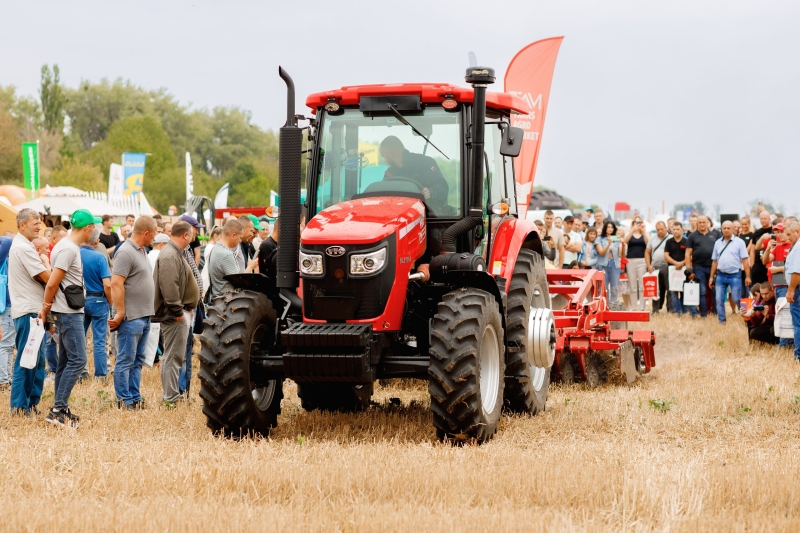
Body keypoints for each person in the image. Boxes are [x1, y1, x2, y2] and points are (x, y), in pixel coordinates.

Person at [40, 209, 100, 427]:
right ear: (87, 228)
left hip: (66, 311)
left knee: (66, 361)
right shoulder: (67, 249)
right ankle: (57, 410)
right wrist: (46, 308)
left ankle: (61, 407)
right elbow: (53, 283)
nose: (95, 229)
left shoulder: (67, 246)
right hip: (68, 313)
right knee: (78, 360)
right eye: (94, 226)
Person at [109, 216, 157, 409]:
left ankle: (134, 397)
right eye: (154, 233)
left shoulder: (141, 250)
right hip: (131, 317)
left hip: (143, 315)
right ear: (145, 233)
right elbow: (116, 283)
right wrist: (120, 312)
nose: (155, 237)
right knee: (126, 360)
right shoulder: (126, 252)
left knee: (137, 361)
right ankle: (125, 400)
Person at [8, 209, 50, 416]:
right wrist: (48, 264)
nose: (39, 226)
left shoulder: (24, 246)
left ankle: (31, 403)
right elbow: (46, 276)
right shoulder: (23, 248)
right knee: (27, 359)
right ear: (22, 224)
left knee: (37, 360)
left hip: (32, 310)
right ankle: (19, 406)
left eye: (40, 222)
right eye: (35, 222)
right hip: (28, 311)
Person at [153, 221, 199, 406]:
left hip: (178, 312)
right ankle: (170, 397)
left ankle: (171, 395)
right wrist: (177, 310)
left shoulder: (174, 253)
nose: (195, 237)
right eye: (193, 234)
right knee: (173, 356)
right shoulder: (170, 254)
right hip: (174, 314)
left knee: (174, 356)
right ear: (185, 235)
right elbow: (169, 286)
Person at [176, 215, 205, 397]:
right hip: (185, 308)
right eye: (195, 228)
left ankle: (184, 391)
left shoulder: (187, 249)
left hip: (192, 307)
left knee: (187, 350)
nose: (197, 232)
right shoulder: (180, 251)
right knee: (183, 353)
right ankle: (180, 391)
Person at [79, 227, 113, 381]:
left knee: (80, 338)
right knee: (99, 341)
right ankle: (100, 375)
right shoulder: (100, 257)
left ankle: (80, 372)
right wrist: (111, 301)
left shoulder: (75, 254)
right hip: (98, 299)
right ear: (97, 241)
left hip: (79, 300)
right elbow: (107, 284)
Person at [379, 135, 449, 205]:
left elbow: (443, 187)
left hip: (428, 212)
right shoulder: (389, 173)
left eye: (384, 156)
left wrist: (430, 192)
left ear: (390, 154)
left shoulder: (426, 163)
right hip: (399, 212)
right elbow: (382, 194)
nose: (385, 161)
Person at [709, 221, 751, 325]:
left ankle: (747, 319)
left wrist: (748, 276)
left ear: (733, 229)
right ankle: (722, 321)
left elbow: (745, 260)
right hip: (720, 275)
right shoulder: (717, 242)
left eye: (728, 228)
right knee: (719, 299)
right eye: (724, 228)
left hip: (735, 275)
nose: (726, 230)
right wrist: (711, 277)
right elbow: (714, 261)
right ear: (721, 229)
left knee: (737, 299)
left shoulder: (740, 242)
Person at [685, 216, 717, 317]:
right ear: (697, 223)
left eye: (704, 222)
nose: (702, 224)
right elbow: (687, 254)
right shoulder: (692, 236)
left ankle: (716, 313)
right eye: (700, 222)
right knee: (702, 292)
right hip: (699, 268)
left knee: (716, 291)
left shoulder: (715, 235)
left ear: (708, 223)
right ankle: (704, 314)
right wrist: (689, 270)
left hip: (713, 267)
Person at [208, 219, 244, 300]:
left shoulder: (215, 248)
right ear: (233, 235)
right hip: (227, 303)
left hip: (217, 300)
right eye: (240, 237)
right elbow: (238, 284)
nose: (240, 241)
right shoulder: (226, 254)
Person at [623, 217, 649, 312]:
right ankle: (633, 307)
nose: (638, 224)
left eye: (640, 222)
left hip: (642, 260)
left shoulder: (644, 233)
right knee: (633, 286)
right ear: (633, 223)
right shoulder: (629, 232)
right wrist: (632, 231)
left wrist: (644, 231)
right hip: (630, 261)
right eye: (636, 222)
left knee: (642, 285)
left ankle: (642, 307)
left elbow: (648, 243)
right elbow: (625, 241)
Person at [783, 221, 800, 361]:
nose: (787, 237)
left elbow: (796, 272)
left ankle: (798, 355)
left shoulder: (798, 247)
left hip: (797, 290)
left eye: (789, 234)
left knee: (798, 323)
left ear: (797, 232)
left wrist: (791, 290)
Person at [645, 221, 671, 313]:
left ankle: (670, 310)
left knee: (669, 289)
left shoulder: (671, 238)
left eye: (661, 229)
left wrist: (671, 263)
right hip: (655, 267)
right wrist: (648, 265)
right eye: (657, 229)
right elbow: (647, 252)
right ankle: (655, 310)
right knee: (655, 290)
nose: (660, 231)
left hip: (667, 266)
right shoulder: (652, 238)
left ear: (666, 228)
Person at [664, 221, 689, 315]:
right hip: (672, 269)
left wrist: (682, 263)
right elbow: (666, 256)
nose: (676, 231)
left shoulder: (687, 241)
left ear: (682, 229)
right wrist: (675, 263)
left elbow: (689, 255)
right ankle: (677, 311)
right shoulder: (669, 242)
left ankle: (684, 311)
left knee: (684, 291)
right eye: (674, 229)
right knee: (673, 292)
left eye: (678, 229)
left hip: (684, 269)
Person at [595, 221, 621, 302]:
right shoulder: (599, 239)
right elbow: (601, 253)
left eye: (612, 227)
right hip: (603, 265)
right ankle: (604, 305)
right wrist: (608, 244)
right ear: (605, 228)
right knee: (603, 287)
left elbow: (621, 254)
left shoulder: (616, 238)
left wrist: (623, 245)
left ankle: (613, 306)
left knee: (614, 287)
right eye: (608, 227)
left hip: (615, 264)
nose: (610, 229)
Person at [0, 234, 12, 392]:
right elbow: (8, 240)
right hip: (6, 305)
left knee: (8, 344)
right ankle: (3, 380)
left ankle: (6, 378)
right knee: (6, 344)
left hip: (8, 305)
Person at [750, 211, 773, 285]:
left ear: (769, 219)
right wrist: (752, 265)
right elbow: (753, 250)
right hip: (757, 266)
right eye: (761, 219)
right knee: (756, 289)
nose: (763, 220)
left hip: (769, 264)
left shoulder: (774, 231)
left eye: (765, 218)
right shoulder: (756, 233)